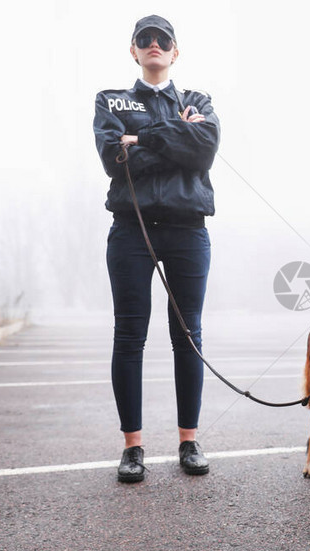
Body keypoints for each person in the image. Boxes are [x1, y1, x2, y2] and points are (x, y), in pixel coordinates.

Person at [93, 15, 220, 483]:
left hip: (188, 229)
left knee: (188, 334)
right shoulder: (111, 100)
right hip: (132, 229)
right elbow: (114, 159)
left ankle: (189, 441)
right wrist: (175, 138)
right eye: (144, 39)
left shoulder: (197, 100)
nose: (153, 45)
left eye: (161, 39)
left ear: (174, 51)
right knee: (130, 336)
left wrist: (141, 137)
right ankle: (133, 448)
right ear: (133, 50)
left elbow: (204, 149)